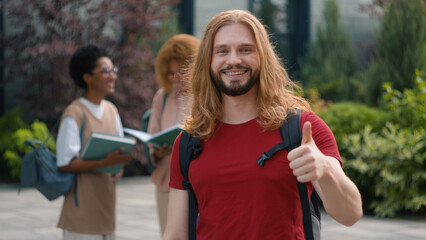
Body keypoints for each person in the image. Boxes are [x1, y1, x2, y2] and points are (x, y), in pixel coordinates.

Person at [163, 10, 363, 240]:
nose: (234, 60)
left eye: (245, 49)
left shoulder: (303, 129)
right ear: (208, 61)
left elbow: (351, 214)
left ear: (263, 57)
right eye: (222, 51)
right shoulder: (190, 142)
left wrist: (325, 169)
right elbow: (176, 234)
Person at [56, 44, 132, 240]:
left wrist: (118, 167)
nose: (112, 76)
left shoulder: (111, 110)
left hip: (106, 207)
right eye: (105, 71)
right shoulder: (74, 114)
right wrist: (105, 162)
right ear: (87, 77)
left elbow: (118, 149)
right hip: (80, 212)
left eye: (114, 70)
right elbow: (65, 163)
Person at [147, 34, 200, 235]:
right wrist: (157, 152)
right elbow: (152, 136)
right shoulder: (162, 97)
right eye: (170, 73)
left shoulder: (207, 95)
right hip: (167, 180)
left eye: (181, 71)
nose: (176, 78)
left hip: (199, 180)